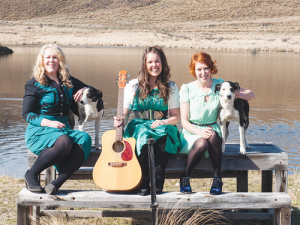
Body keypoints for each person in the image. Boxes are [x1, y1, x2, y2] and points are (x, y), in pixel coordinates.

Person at [179, 52, 255, 195]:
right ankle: (185, 176)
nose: (203, 73)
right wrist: (200, 132)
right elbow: (183, 121)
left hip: (213, 129)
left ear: (211, 68)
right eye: (199, 69)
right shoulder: (187, 89)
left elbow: (251, 94)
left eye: (206, 68)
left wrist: (237, 94)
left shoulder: (221, 85)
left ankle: (217, 179)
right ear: (193, 70)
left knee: (213, 136)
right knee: (202, 142)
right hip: (192, 131)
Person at [22, 44, 93, 195]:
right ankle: (31, 174)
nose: (51, 61)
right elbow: (26, 114)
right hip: (40, 130)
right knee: (64, 141)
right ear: (42, 60)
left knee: (85, 139)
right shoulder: (34, 83)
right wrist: (50, 123)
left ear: (60, 60)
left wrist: (83, 90)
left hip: (62, 129)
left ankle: (56, 183)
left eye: (55, 57)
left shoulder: (68, 81)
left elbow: (91, 89)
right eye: (48, 57)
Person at [114, 46, 181, 195]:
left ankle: (158, 179)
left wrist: (164, 122)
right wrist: (120, 122)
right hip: (139, 124)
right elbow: (125, 114)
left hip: (163, 124)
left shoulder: (171, 87)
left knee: (163, 134)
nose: (154, 65)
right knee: (143, 134)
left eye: (157, 61)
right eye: (150, 62)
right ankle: (143, 180)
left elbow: (176, 117)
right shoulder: (133, 85)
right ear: (145, 64)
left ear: (162, 63)